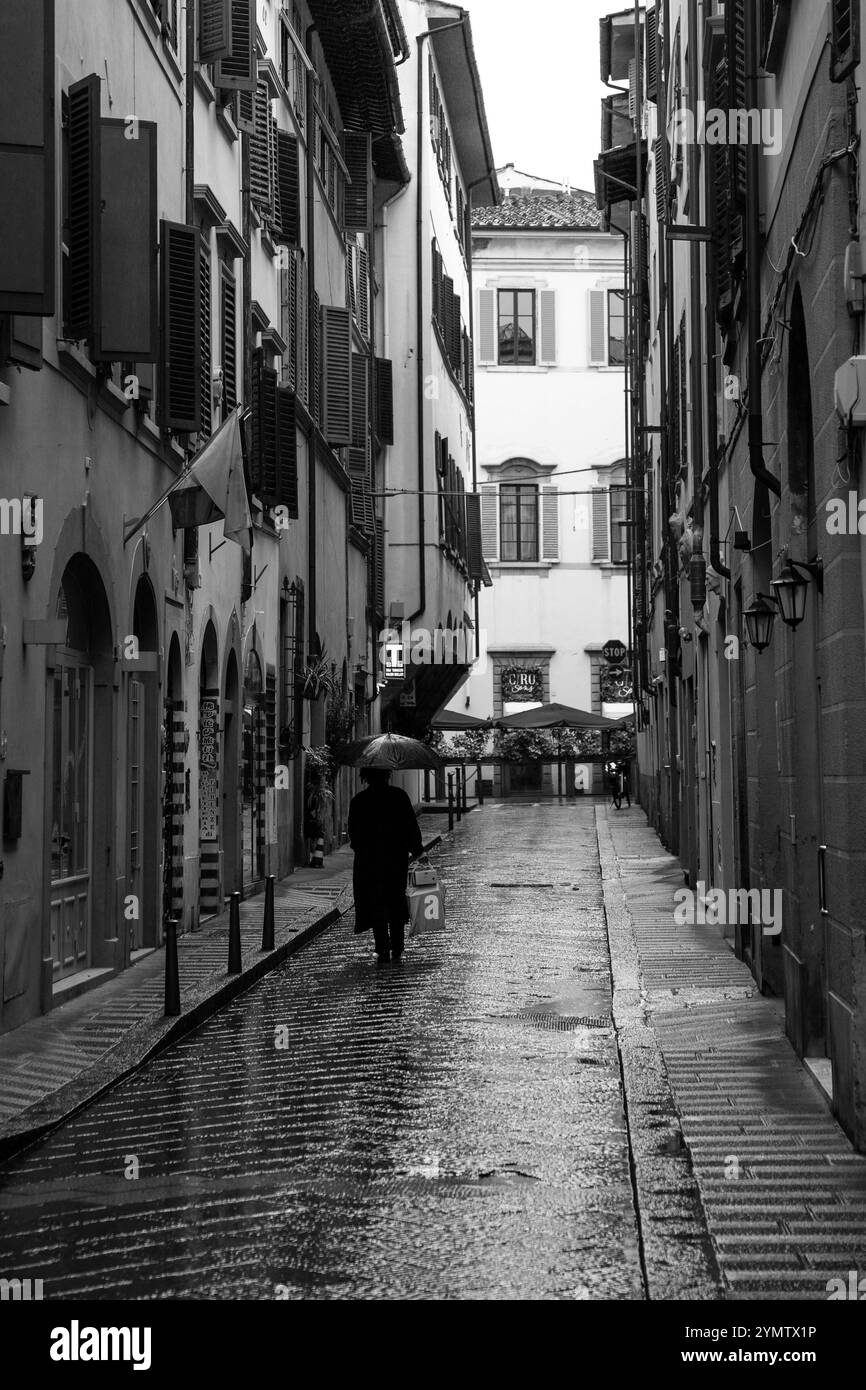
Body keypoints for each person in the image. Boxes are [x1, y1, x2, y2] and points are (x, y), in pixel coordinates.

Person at [347, 768, 424, 965]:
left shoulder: (359, 801)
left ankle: (382, 947)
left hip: (369, 863)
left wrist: (364, 850)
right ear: (388, 776)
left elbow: (353, 836)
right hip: (395, 860)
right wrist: (417, 849)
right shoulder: (399, 796)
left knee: (376, 902)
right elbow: (411, 826)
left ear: (366, 778)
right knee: (395, 900)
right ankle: (397, 946)